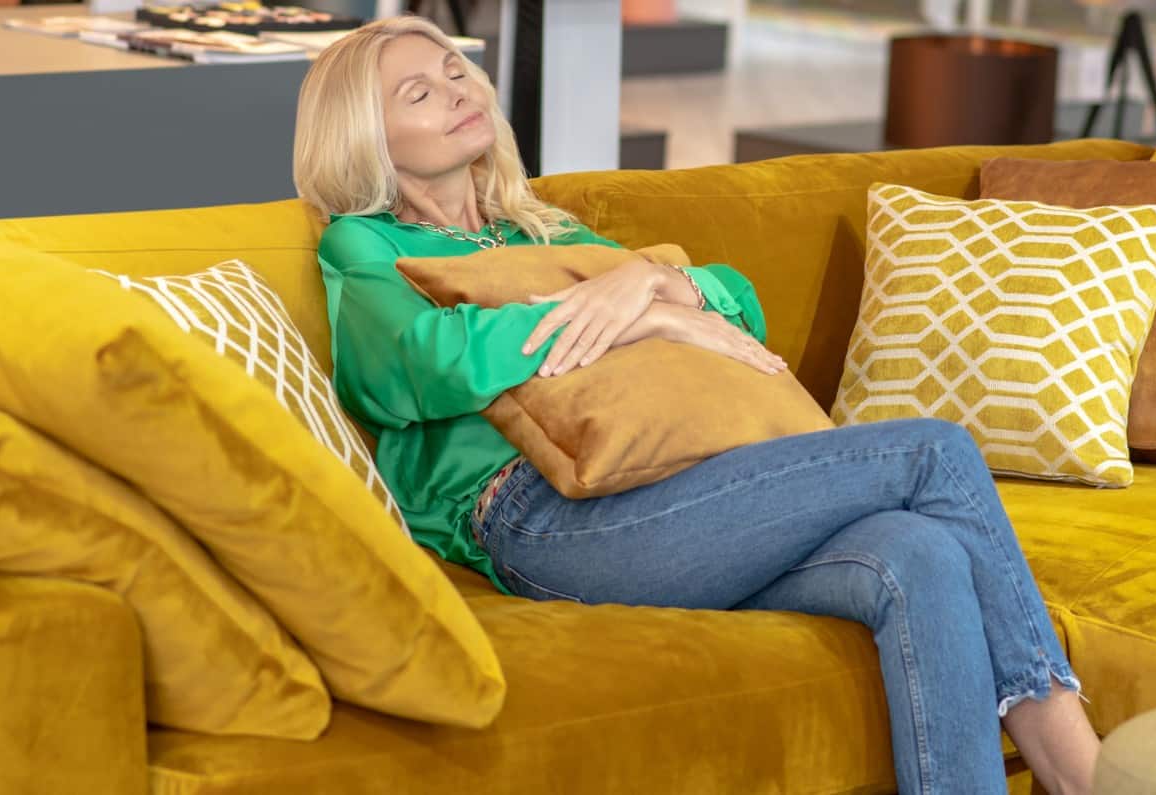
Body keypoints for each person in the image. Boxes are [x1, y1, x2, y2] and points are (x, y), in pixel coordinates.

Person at [293, 16, 1101, 795]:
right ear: (368, 137)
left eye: (455, 70)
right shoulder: (366, 243)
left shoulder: (541, 230)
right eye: (419, 94)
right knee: (935, 452)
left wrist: (653, 283)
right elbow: (407, 368)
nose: (455, 89)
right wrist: (640, 317)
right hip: (541, 519)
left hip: (677, 490)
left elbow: (738, 307)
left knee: (919, 552)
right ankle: (1079, 770)